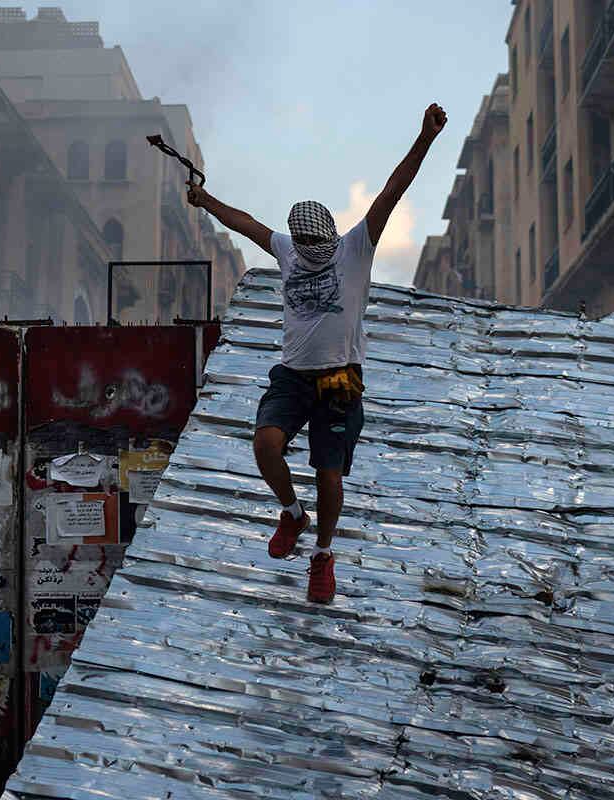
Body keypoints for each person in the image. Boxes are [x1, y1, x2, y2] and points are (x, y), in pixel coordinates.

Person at [186, 103, 448, 603]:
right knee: (265, 446)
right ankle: (292, 514)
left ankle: (322, 556)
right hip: (292, 376)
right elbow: (244, 223)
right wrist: (205, 200)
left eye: (322, 242)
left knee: (329, 475)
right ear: (300, 241)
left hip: (338, 380)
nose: (318, 249)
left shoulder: (355, 247)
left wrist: (424, 139)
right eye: (310, 245)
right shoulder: (287, 249)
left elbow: (393, 191)